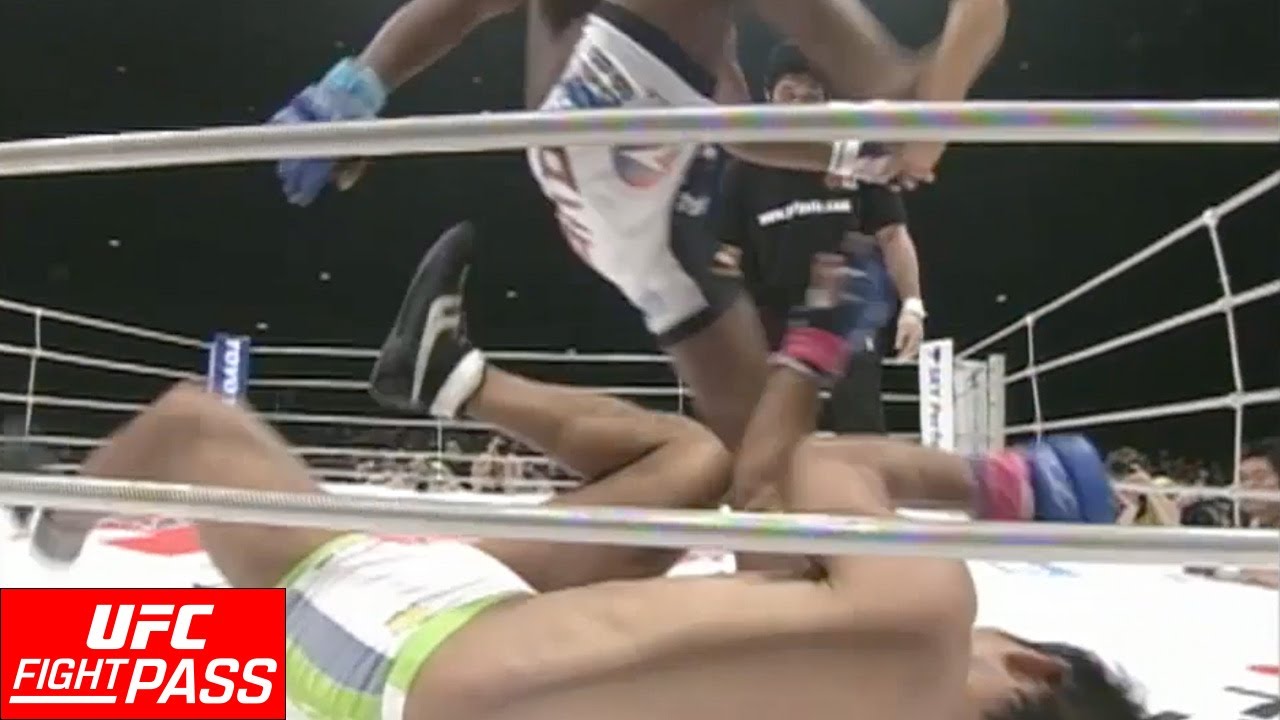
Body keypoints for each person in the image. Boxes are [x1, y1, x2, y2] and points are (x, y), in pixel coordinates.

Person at [24, 226, 1139, 720]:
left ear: (1030, 666)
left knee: (191, 421)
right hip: (377, 672)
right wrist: (806, 353)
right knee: (696, 466)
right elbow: (763, 494)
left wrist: (997, 486)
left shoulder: (922, 628)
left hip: (412, 646)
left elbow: (823, 465)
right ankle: (449, 377)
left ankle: (56, 528)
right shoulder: (820, 664)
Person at [271, 0, 1008, 458]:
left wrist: (857, 152)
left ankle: (455, 378)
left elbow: (734, 129)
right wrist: (359, 84)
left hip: (626, 200)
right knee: (771, 465)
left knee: (762, 465)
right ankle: (904, 100)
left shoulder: (698, 37)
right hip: (611, 154)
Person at [718, 42, 926, 435]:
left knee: (861, 430)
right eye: (789, 93)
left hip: (848, 311)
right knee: (773, 434)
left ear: (826, 101)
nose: (800, 103)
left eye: (811, 95)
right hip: (773, 318)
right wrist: (725, 325)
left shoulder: (857, 154)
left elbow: (893, 233)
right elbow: (727, 254)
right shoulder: (744, 168)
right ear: (770, 97)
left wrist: (913, 305)